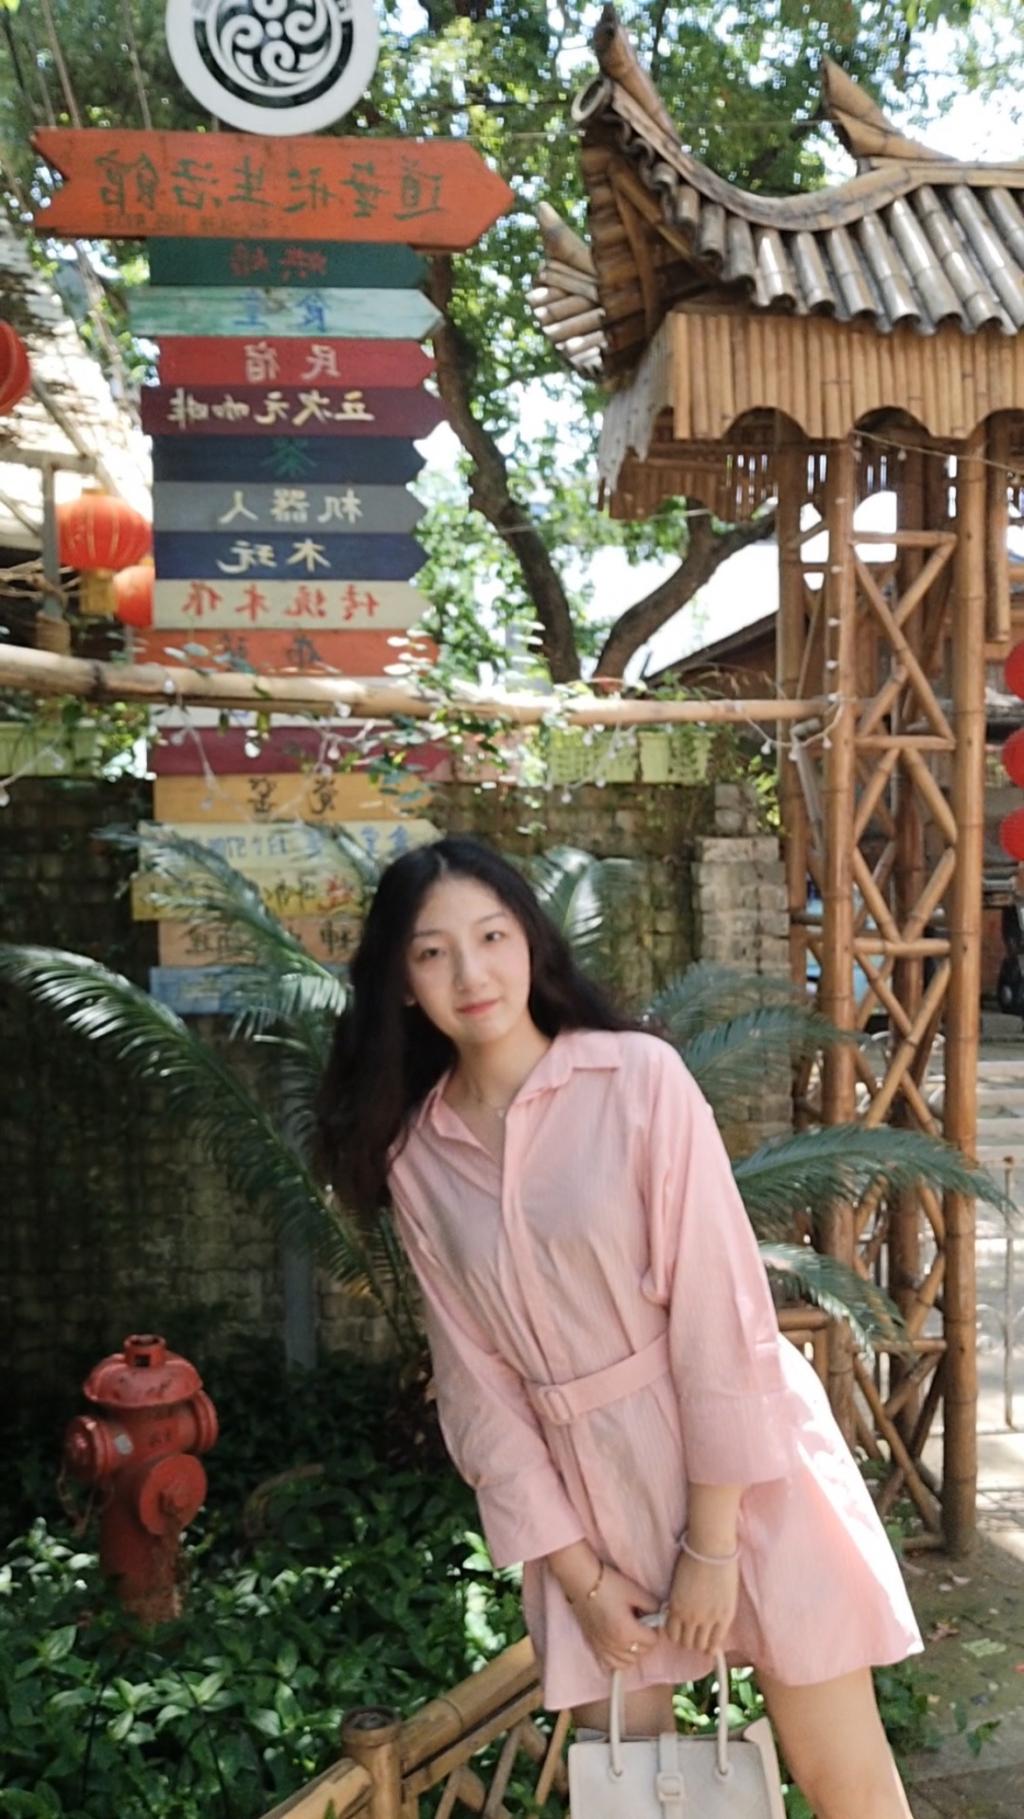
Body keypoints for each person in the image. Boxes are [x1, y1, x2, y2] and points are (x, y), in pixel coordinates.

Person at [317, 835, 923, 1819]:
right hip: (586, 1503)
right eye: (432, 952)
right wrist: (581, 1578)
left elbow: (720, 1313)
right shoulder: (418, 1155)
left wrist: (712, 1548)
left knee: (846, 1783)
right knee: (637, 1799)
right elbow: (476, 1386)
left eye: (492, 936)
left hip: (743, 1476)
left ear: (531, 941)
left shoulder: (638, 1079)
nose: (471, 973)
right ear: (400, 982)